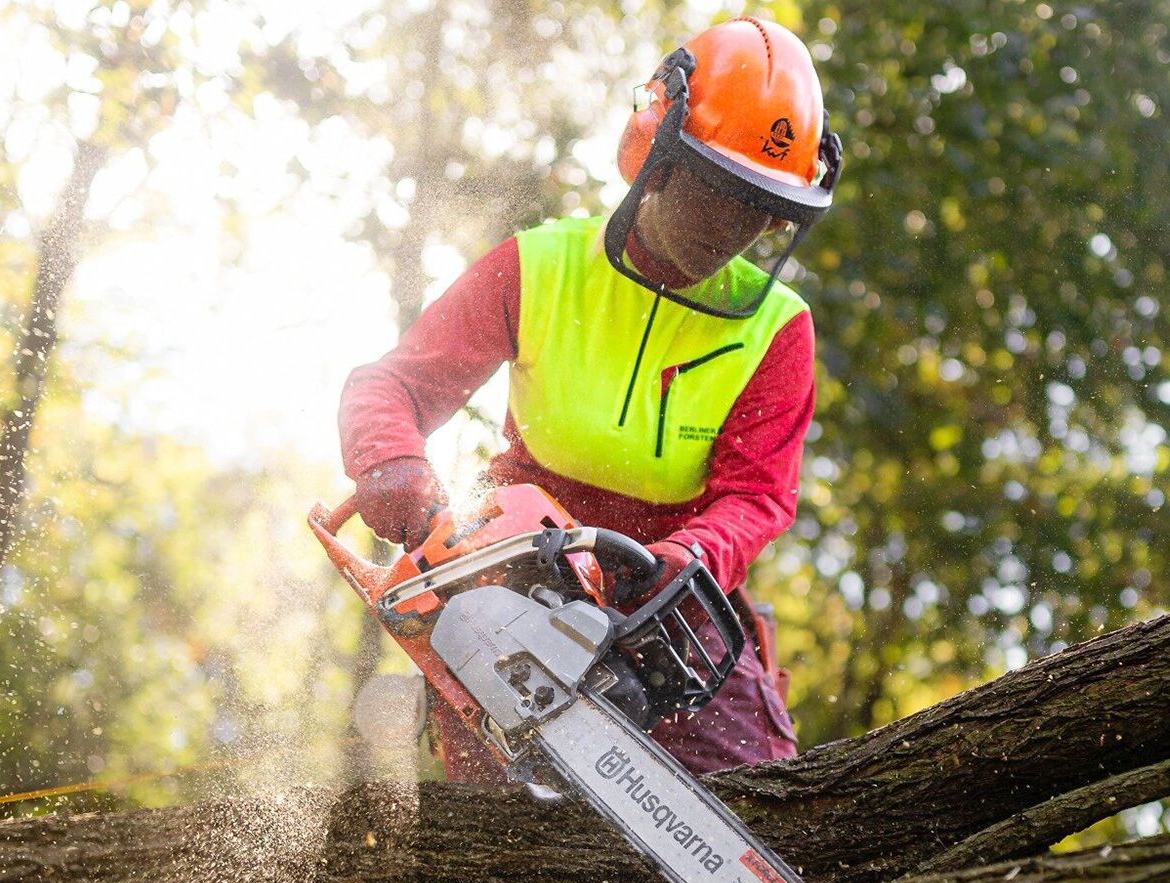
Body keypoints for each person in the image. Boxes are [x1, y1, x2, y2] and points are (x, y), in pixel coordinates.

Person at [338, 15, 843, 779]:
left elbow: (757, 497)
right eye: (720, 192)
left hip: (668, 586)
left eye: (761, 207)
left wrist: (689, 557)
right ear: (658, 157)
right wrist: (394, 466)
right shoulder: (539, 267)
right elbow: (392, 385)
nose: (737, 227)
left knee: (752, 778)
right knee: (498, 809)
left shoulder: (778, 330)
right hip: (523, 564)